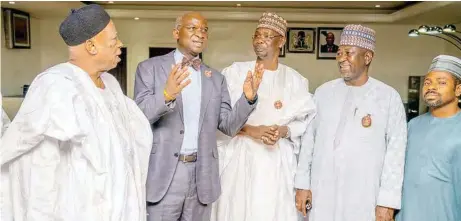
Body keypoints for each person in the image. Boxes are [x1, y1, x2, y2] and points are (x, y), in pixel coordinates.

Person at [0, 4, 153, 221]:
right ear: (91, 46)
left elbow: (134, 136)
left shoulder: (110, 84)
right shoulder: (56, 86)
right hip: (80, 210)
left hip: (120, 205)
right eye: (114, 40)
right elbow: (39, 167)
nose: (120, 45)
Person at [134, 12, 262, 221]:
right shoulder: (150, 69)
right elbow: (139, 117)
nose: (200, 34)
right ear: (176, 32)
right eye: (192, 28)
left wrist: (247, 99)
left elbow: (228, 126)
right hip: (164, 175)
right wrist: (166, 95)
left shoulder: (216, 79)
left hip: (202, 176)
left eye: (204, 30)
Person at [295, 24, 407, 221]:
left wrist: (387, 202)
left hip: (364, 195)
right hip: (323, 190)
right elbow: (308, 142)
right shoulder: (323, 93)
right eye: (339, 53)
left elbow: (395, 154)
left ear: (367, 57)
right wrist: (302, 184)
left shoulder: (388, 97)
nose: (341, 59)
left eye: (349, 53)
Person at [210, 12, 316, 221]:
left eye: (267, 36)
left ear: (282, 41)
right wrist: (252, 131)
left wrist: (282, 130)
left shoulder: (295, 80)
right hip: (241, 158)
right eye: (257, 35)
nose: (260, 40)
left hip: (278, 161)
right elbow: (220, 120)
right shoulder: (235, 72)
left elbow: (304, 123)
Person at [396, 55, 461, 221]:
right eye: (427, 82)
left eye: (441, 82)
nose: (432, 87)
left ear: (458, 90)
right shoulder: (413, 125)